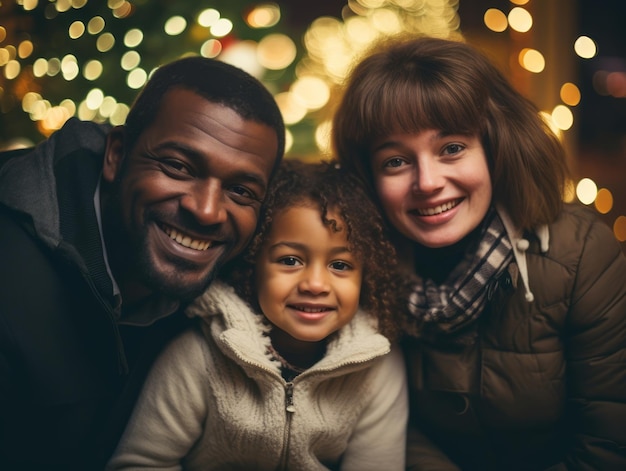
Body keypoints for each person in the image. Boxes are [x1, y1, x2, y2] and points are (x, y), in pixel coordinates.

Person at [332, 35, 626, 470]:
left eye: (451, 148)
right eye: (396, 161)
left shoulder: (580, 254)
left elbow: (608, 445)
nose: (427, 182)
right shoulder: (357, 267)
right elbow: (386, 426)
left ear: (497, 147)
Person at [0, 56, 285, 470]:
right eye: (178, 166)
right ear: (117, 154)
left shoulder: (246, 293)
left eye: (240, 190)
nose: (207, 211)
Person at [106, 159, 408, 470]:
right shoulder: (197, 357)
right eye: (290, 260)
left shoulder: (378, 368)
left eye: (340, 265)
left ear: (365, 277)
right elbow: (140, 463)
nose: (316, 284)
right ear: (253, 267)